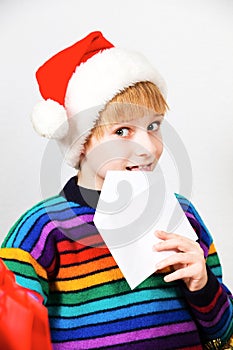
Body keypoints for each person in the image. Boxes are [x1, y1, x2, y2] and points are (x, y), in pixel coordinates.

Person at [0, 31, 232, 349]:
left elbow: (223, 332)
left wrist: (203, 285)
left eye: (153, 126)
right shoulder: (42, 228)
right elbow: (13, 331)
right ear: (82, 145)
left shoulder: (182, 213)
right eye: (122, 131)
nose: (148, 147)